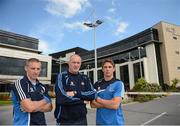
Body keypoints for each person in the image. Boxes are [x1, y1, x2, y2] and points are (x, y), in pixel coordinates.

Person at [54, 54, 97, 125]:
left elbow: (93, 94)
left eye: (78, 63)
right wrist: (82, 101)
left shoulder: (85, 77)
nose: (76, 65)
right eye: (73, 62)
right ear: (69, 63)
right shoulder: (62, 76)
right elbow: (61, 99)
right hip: (65, 121)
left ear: (80, 64)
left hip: (82, 120)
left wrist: (75, 93)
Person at [11, 58, 53, 125]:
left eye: (38, 69)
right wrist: (46, 100)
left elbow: (50, 107)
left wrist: (32, 106)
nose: (36, 72)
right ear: (26, 68)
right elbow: (29, 107)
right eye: (33, 68)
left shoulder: (42, 87)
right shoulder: (19, 83)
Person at [90, 58, 125, 125]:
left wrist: (98, 99)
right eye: (105, 67)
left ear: (114, 69)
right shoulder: (97, 84)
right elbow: (92, 104)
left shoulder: (118, 83)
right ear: (102, 69)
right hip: (100, 123)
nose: (107, 69)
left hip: (115, 123)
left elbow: (115, 105)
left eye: (110, 67)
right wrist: (110, 103)